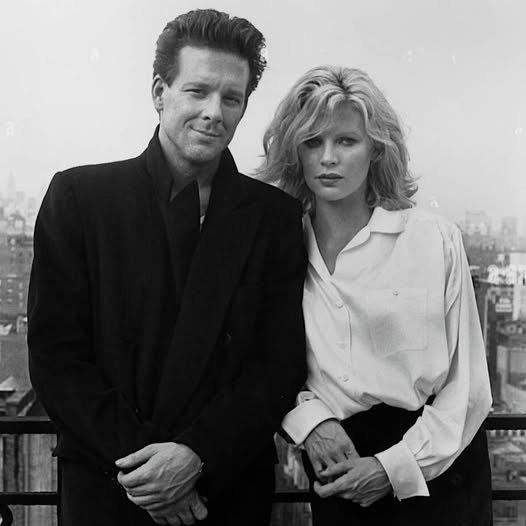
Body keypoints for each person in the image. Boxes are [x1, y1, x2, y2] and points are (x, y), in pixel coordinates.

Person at [27, 9, 307, 526]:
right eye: (197, 91)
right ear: (160, 92)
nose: (214, 113)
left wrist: (197, 456)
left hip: (224, 493)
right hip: (110, 489)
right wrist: (154, 475)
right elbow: (56, 358)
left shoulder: (276, 219)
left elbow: (278, 366)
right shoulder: (80, 199)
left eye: (231, 98)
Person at [260, 66, 493, 525]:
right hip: (339, 472)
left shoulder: (433, 239)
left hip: (437, 472)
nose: (328, 158)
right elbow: (262, 362)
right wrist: (308, 422)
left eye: (347, 141)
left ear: (376, 149)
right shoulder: (277, 248)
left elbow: (467, 387)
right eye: (312, 142)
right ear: (294, 151)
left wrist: (393, 468)